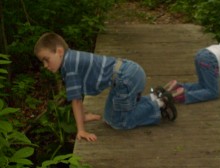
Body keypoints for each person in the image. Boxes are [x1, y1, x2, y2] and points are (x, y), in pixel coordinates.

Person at [34, 32, 177, 142]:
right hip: (127, 74)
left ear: (59, 52)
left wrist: (81, 130)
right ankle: (153, 98)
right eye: (42, 62)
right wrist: (83, 116)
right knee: (108, 118)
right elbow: (79, 92)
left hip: (126, 79)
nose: (45, 65)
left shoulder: (69, 65)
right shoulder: (71, 59)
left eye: (46, 60)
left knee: (119, 123)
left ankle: (159, 104)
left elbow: (76, 100)